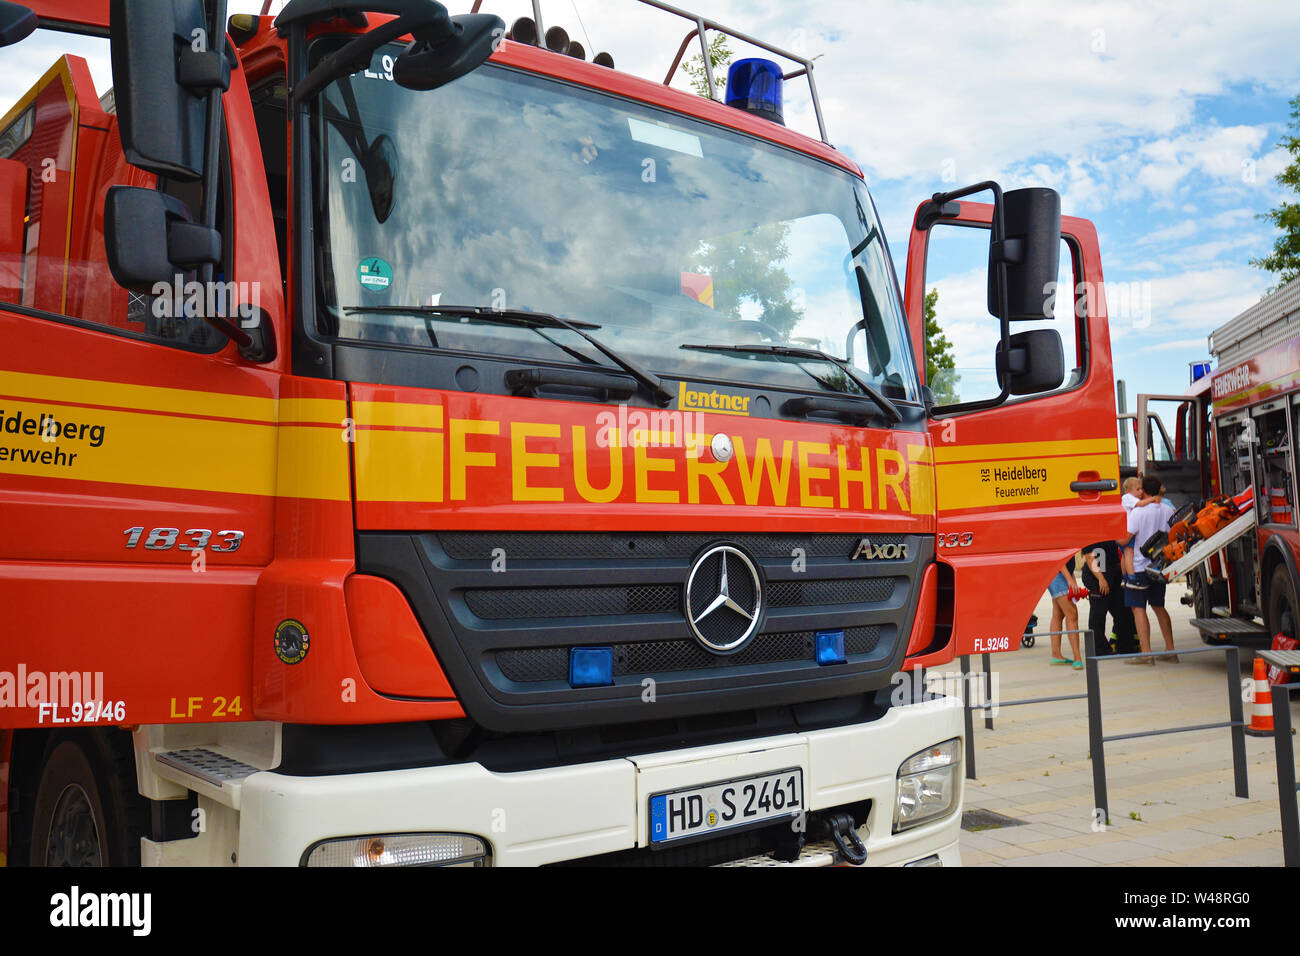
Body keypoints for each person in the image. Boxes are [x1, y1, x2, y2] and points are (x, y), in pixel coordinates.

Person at [1123, 474, 1177, 664]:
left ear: (1144, 490)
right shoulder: (1168, 510)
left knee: (1139, 610)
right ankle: (1171, 649)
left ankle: (1147, 654)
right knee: (1159, 607)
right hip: (1158, 566)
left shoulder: (1137, 513)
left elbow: (1126, 538)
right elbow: (1173, 535)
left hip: (1138, 567)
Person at [1081, 539, 1137, 655]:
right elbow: (1090, 557)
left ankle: (1125, 646)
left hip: (1113, 574)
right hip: (1097, 576)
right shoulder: (1091, 531)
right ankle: (1099, 649)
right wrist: (1101, 579)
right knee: (1098, 614)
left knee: (1123, 611)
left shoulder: (1110, 531)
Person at [1047, 556, 1083, 669]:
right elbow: (1059, 557)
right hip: (1057, 574)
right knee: (1072, 613)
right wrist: (1069, 580)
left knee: (1058, 614)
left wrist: (1072, 579)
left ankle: (1056, 654)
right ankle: (1077, 658)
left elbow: (1068, 560)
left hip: (1057, 573)